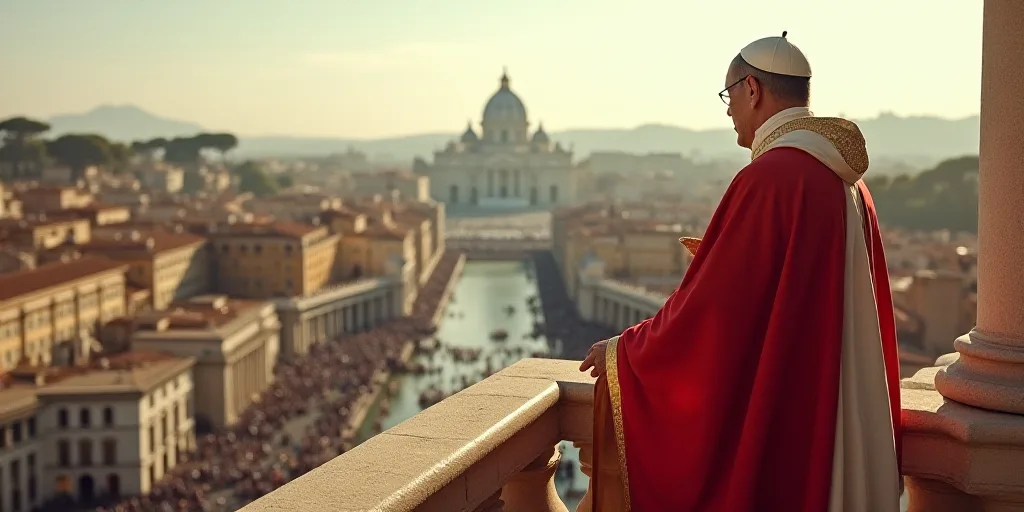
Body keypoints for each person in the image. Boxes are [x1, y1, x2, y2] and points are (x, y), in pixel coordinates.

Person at [578, 33, 902, 512]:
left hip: (795, 413)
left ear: (753, 90)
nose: (728, 110)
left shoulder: (771, 178)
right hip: (841, 409)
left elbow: (708, 313)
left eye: (729, 95)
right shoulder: (851, 185)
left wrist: (624, 351)